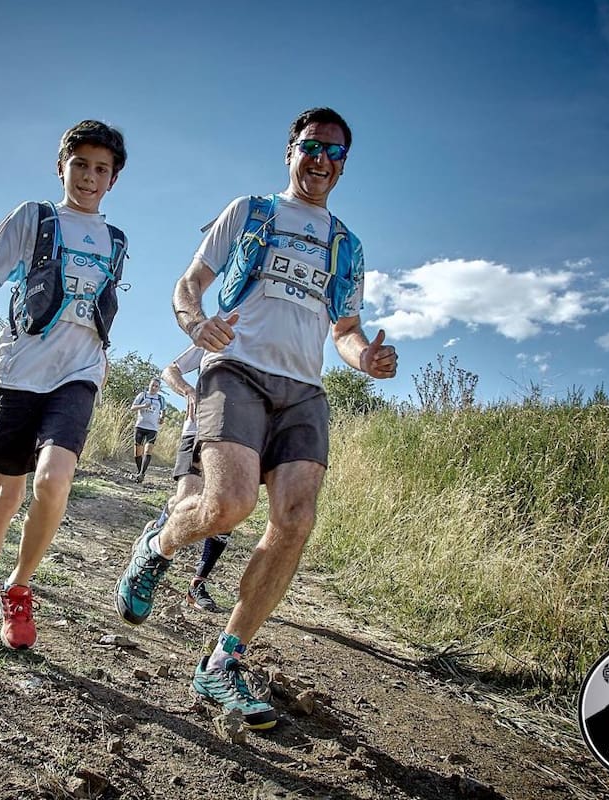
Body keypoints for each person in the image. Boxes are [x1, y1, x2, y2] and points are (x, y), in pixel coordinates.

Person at [114, 107, 397, 730]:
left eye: (334, 152)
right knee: (228, 504)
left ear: (344, 164)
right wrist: (196, 323)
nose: (321, 158)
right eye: (311, 146)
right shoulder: (249, 211)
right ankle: (156, 546)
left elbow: (345, 330)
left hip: (303, 390)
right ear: (290, 151)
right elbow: (189, 283)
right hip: (236, 368)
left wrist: (365, 358)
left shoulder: (346, 244)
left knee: (295, 521)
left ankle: (223, 661)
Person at [0, 119, 128, 650]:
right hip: (21, 373)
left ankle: (19, 588)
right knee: (6, 492)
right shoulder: (36, 218)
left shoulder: (116, 241)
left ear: (113, 179)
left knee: (53, 480)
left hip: (79, 374)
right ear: (61, 166)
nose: (89, 177)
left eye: (101, 169)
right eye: (80, 165)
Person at [153, 344, 231, 611]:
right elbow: (170, 370)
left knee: (226, 506)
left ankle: (197, 584)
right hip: (197, 429)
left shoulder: (270, 343)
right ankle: (154, 541)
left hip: (236, 438)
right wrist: (188, 391)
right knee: (184, 501)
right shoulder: (216, 334)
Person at [129, 378, 165, 482]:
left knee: (148, 450)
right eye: (152, 385)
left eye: (156, 386)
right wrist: (143, 406)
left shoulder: (160, 399)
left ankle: (141, 474)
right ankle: (139, 471)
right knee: (137, 453)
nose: (154, 388)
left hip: (152, 428)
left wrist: (162, 418)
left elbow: (163, 411)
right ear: (149, 385)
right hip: (140, 426)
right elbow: (132, 408)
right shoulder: (142, 395)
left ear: (159, 388)